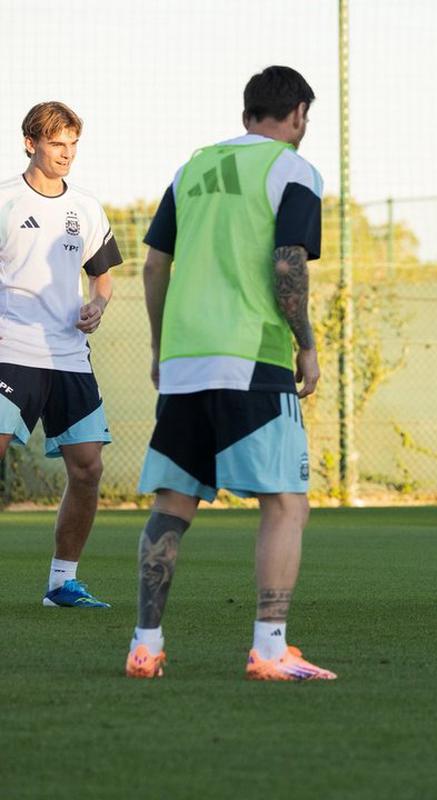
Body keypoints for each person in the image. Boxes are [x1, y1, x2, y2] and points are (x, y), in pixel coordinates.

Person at [125, 66, 334, 680]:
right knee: (286, 503)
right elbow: (288, 262)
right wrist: (306, 345)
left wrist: (161, 347)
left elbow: (154, 266)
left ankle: (145, 646)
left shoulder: (190, 169)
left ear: (246, 115)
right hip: (252, 355)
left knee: (173, 502)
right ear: (298, 114)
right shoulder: (294, 169)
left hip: (185, 359)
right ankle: (269, 649)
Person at [0, 102, 122, 608]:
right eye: (56, 143)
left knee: (88, 468)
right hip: (10, 350)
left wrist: (97, 305)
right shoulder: (5, 200)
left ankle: (61, 584)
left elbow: (102, 278)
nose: (66, 153)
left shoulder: (86, 208)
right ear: (30, 143)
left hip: (69, 357)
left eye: (72, 144)